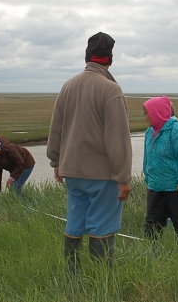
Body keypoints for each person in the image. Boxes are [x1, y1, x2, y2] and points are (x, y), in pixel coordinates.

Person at [47, 32, 133, 270]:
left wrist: (56, 162)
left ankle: (72, 280)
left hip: (72, 172)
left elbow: (56, 128)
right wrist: (123, 178)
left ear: (87, 58)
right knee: (102, 226)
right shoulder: (110, 90)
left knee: (75, 223)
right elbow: (118, 139)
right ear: (110, 60)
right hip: (102, 175)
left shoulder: (68, 86)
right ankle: (100, 283)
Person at [142, 96, 178, 239]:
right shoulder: (149, 132)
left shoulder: (177, 131)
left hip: (176, 189)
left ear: (156, 112)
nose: (145, 117)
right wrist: (148, 180)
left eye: (147, 113)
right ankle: (152, 255)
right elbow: (147, 158)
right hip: (155, 187)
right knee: (152, 227)